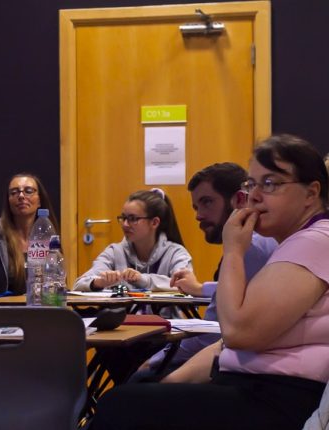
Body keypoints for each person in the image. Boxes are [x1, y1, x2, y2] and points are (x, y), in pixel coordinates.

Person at [90, 134, 329, 430]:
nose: (253, 197)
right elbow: (227, 343)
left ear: (311, 193)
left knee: (121, 406)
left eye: (270, 183)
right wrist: (169, 382)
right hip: (250, 387)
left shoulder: (316, 240)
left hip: (277, 398)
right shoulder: (295, 243)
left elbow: (239, 332)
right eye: (251, 185)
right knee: (129, 398)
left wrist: (233, 251)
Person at [134, 163, 277, 380]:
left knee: (134, 384)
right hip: (245, 362)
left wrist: (152, 363)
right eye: (195, 207)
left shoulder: (248, 248)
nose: (199, 216)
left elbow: (210, 334)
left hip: (241, 371)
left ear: (239, 200)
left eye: (207, 202)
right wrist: (203, 288)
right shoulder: (261, 240)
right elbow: (246, 291)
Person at [74, 188, 191, 292]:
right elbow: (78, 284)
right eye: (123, 218)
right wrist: (99, 282)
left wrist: (143, 279)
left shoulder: (176, 253)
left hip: (166, 317)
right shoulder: (114, 252)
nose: (125, 224)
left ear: (154, 222)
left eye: (133, 219)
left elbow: (186, 285)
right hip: (124, 317)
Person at [0, 173, 60, 295]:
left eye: (29, 191)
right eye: (14, 192)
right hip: (3, 310)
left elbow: (57, 279)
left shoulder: (47, 234)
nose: (21, 196)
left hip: (41, 308)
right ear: (8, 201)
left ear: (39, 200)